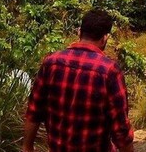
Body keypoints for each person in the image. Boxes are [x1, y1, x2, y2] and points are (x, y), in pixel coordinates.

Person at [23, 10, 135, 152]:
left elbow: (34, 110)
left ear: (79, 32)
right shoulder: (109, 71)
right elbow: (120, 129)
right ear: (105, 38)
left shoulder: (51, 63)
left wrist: (27, 147)